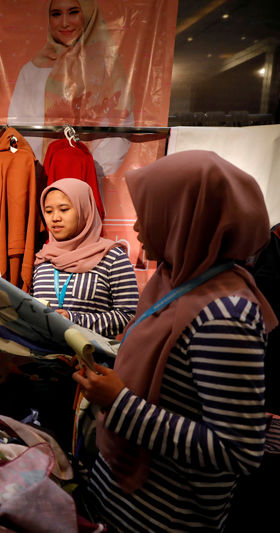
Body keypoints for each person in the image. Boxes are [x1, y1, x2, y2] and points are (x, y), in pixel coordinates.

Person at [73, 150, 277, 531]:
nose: (137, 228)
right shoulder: (173, 283)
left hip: (163, 518)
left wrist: (119, 403)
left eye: (151, 214)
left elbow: (238, 451)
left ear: (187, 221)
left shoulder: (226, 314)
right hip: (117, 502)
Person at [7, 0, 132, 177]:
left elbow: (122, 127)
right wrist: (41, 169)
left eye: (73, 12)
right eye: (56, 14)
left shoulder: (108, 70)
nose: (64, 22)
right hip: (42, 179)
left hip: (89, 179)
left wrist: (85, 169)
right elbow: (18, 129)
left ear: (88, 15)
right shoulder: (33, 70)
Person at [32, 178, 138, 339]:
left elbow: (130, 315)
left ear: (84, 209)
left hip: (92, 360)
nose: (55, 218)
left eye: (64, 209)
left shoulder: (112, 257)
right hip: (44, 358)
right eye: (48, 211)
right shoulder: (43, 259)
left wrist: (74, 320)